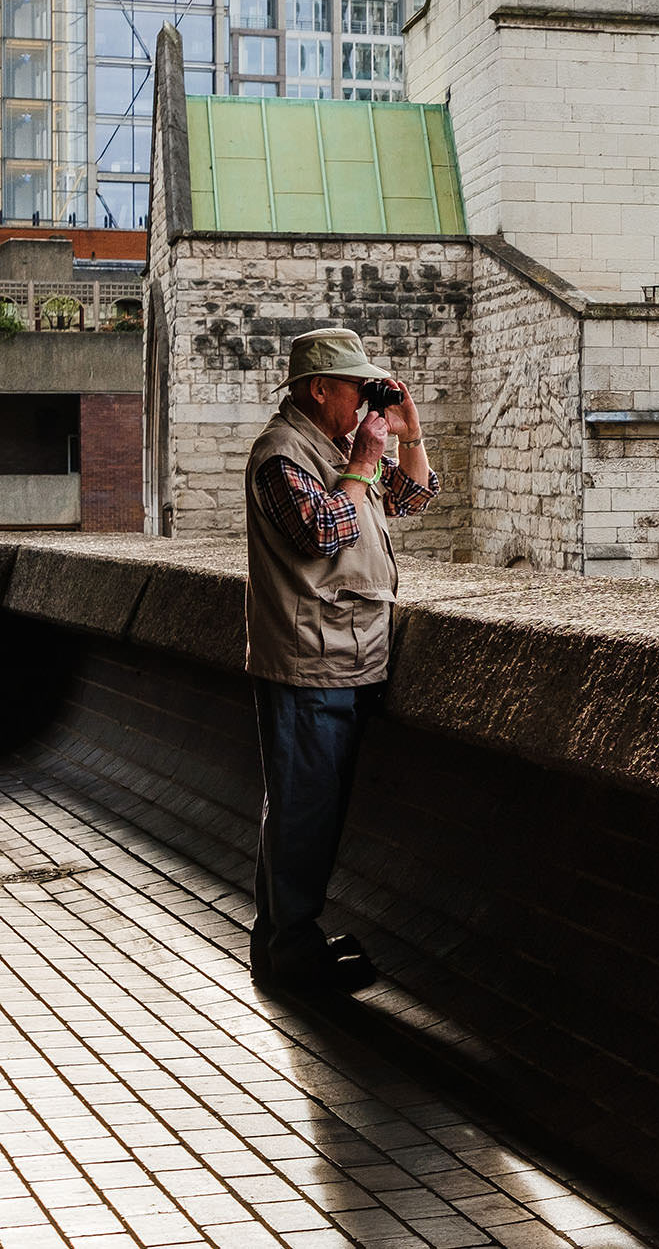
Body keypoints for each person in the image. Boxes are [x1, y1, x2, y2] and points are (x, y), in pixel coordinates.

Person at [243, 327, 437, 994]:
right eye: (356, 386)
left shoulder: (332, 445)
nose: (364, 398)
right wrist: (361, 461)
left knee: (308, 810)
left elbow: (409, 498)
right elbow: (325, 531)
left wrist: (406, 430)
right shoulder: (281, 454)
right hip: (308, 662)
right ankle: (290, 952)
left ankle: (285, 944)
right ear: (319, 388)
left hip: (346, 658)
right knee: (301, 813)